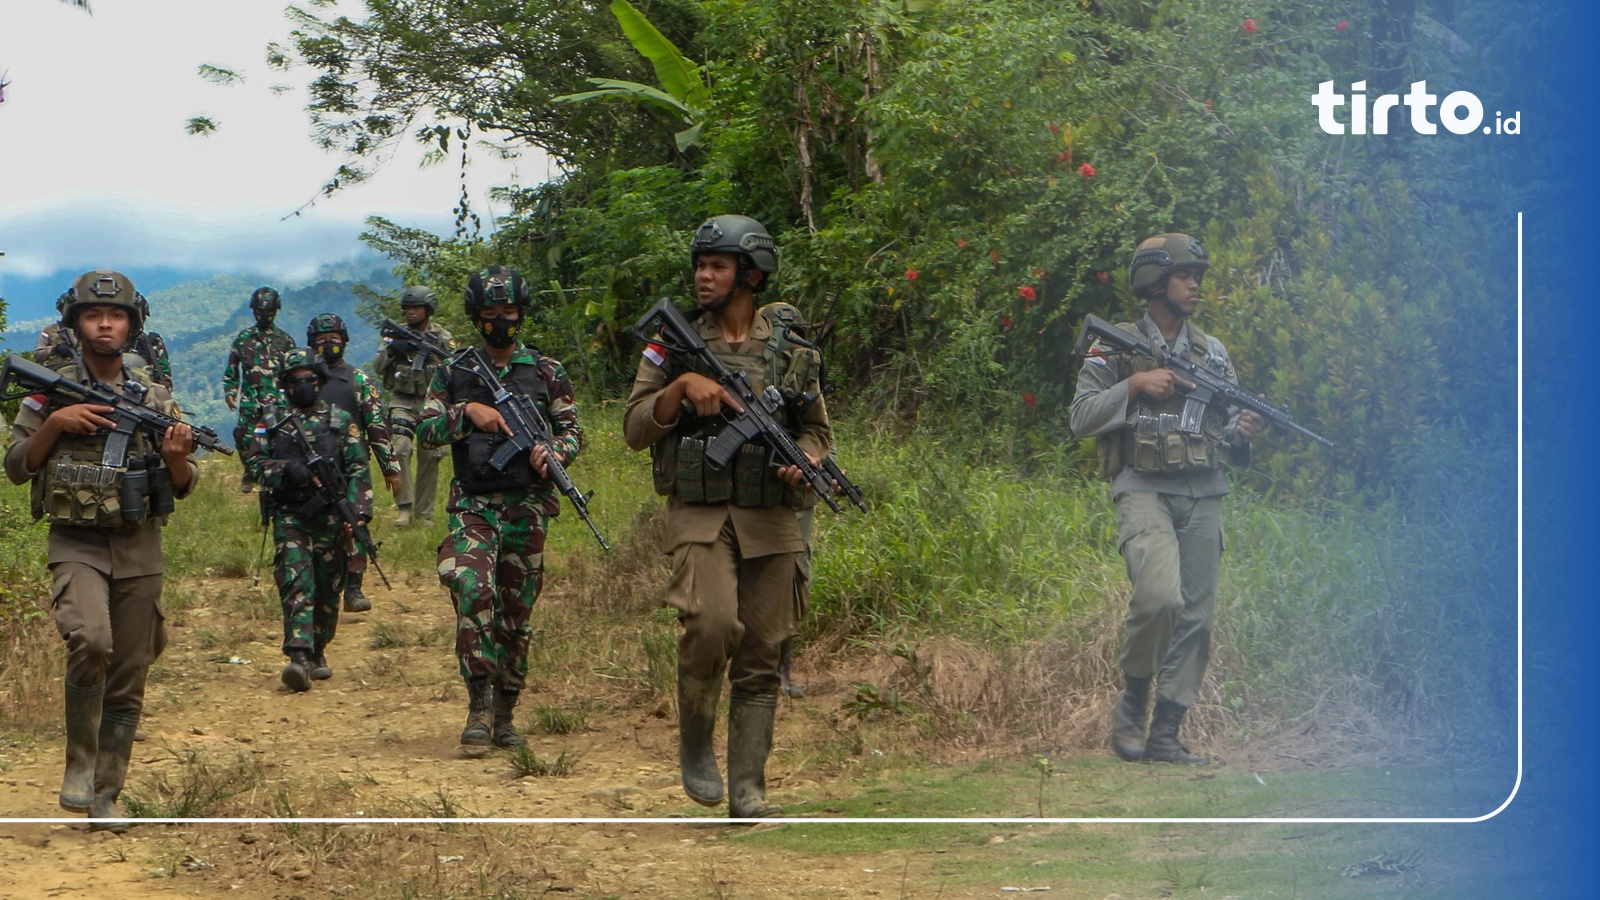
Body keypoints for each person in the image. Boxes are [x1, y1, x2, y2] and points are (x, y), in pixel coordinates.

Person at [623, 215, 830, 818]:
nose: (703, 275)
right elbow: (636, 429)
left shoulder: (793, 352)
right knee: (711, 627)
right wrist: (682, 385)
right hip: (701, 514)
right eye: (700, 264)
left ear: (751, 274)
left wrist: (808, 463)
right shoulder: (672, 343)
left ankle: (749, 790)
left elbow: (817, 432)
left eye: (717, 265)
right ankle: (695, 743)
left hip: (771, 517)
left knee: (765, 648)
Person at [4, 270, 199, 831]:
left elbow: (184, 485)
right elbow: (17, 469)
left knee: (131, 670)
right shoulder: (49, 390)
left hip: (140, 546)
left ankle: (108, 794)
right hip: (76, 541)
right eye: (94, 315)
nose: (105, 324)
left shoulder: (156, 397)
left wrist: (178, 455)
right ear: (77, 323)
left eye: (116, 317)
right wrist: (56, 423)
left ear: (132, 326)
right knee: (91, 640)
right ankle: (79, 766)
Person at [1069, 233, 1264, 765]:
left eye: (1196, 274)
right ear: (1154, 283)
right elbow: (1080, 416)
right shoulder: (1114, 345)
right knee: (1160, 599)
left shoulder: (1212, 353)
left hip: (1205, 492)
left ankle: (1165, 733)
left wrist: (1244, 432)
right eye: (1184, 275)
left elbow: (1227, 432)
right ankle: (1132, 707)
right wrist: (1134, 385)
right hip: (1143, 488)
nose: (1195, 283)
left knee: (1198, 617)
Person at [416, 266, 584, 757]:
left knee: (516, 611)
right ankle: (478, 705)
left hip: (527, 506)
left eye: (508, 313)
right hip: (473, 504)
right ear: (476, 317)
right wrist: (466, 414)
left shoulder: (547, 372)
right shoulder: (455, 372)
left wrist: (555, 451)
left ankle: (506, 711)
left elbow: (574, 429)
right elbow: (425, 432)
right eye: (490, 314)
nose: (500, 322)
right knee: (473, 590)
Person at [245, 348, 371, 692]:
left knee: (329, 586)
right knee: (297, 580)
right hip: (292, 515)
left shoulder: (340, 420)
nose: (303, 385)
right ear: (285, 385)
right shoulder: (271, 421)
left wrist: (358, 515)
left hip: (331, 517)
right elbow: (255, 465)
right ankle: (298, 656)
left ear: (320, 381)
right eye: (295, 380)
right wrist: (287, 469)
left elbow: (358, 468)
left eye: (310, 379)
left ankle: (318, 650)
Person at [306, 313, 401, 613]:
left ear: (344, 342)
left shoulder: (358, 380)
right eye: (321, 341)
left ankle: (353, 587)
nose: (328, 345)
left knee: (355, 523)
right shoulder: (303, 379)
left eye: (334, 339)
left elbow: (377, 427)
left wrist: (391, 468)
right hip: (311, 469)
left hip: (352, 467)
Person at [374, 286, 454, 527]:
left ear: (428, 310)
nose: (411, 312)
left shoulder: (442, 337)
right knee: (399, 448)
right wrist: (391, 350)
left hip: (433, 400)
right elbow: (378, 367)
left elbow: (454, 367)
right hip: (403, 399)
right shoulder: (394, 336)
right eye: (407, 308)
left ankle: (425, 513)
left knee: (431, 454)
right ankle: (405, 508)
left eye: (416, 307)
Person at [222, 287, 297, 491]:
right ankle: (250, 472)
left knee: (279, 439)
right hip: (250, 399)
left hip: (278, 400)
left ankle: (274, 474)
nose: (264, 315)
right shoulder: (243, 338)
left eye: (269, 312)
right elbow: (231, 368)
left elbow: (294, 371)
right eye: (260, 311)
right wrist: (230, 391)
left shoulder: (285, 341)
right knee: (244, 438)